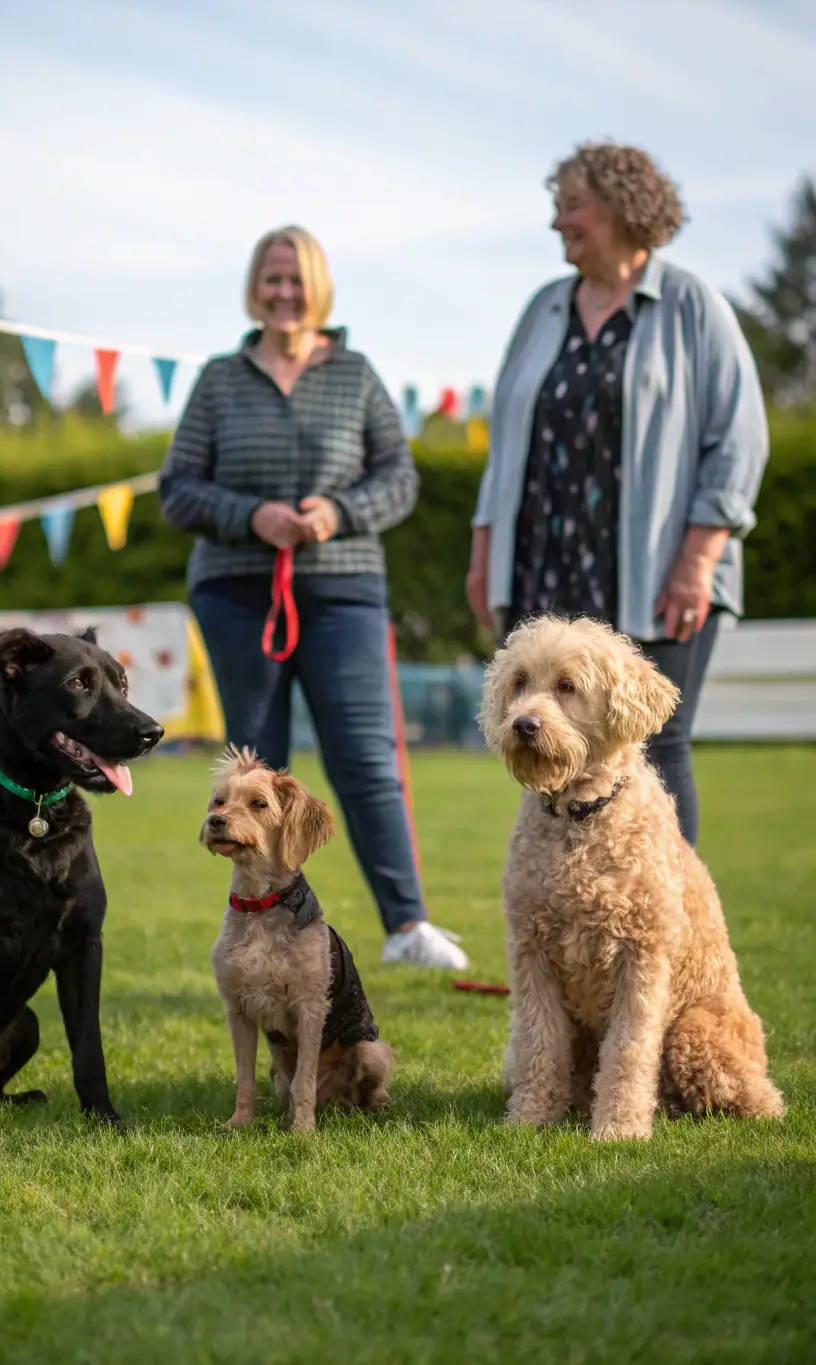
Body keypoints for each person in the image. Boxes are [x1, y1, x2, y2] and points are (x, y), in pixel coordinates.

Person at [159, 225, 468, 970]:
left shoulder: (357, 374)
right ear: (254, 287)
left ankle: (408, 927)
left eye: (296, 279)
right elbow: (178, 487)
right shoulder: (219, 378)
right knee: (255, 768)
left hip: (345, 587)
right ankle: (257, 927)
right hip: (237, 590)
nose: (284, 292)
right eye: (271, 277)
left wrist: (339, 512)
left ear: (319, 287)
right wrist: (251, 516)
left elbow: (399, 476)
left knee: (366, 754)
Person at [466, 142, 768, 848]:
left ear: (623, 209)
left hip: (662, 571)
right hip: (545, 563)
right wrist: (486, 554)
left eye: (572, 206)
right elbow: (507, 441)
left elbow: (739, 439)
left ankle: (665, 920)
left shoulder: (692, 306)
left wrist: (699, 559)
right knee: (550, 747)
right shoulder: (543, 309)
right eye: (557, 207)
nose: (558, 224)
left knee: (657, 748)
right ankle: (565, 933)